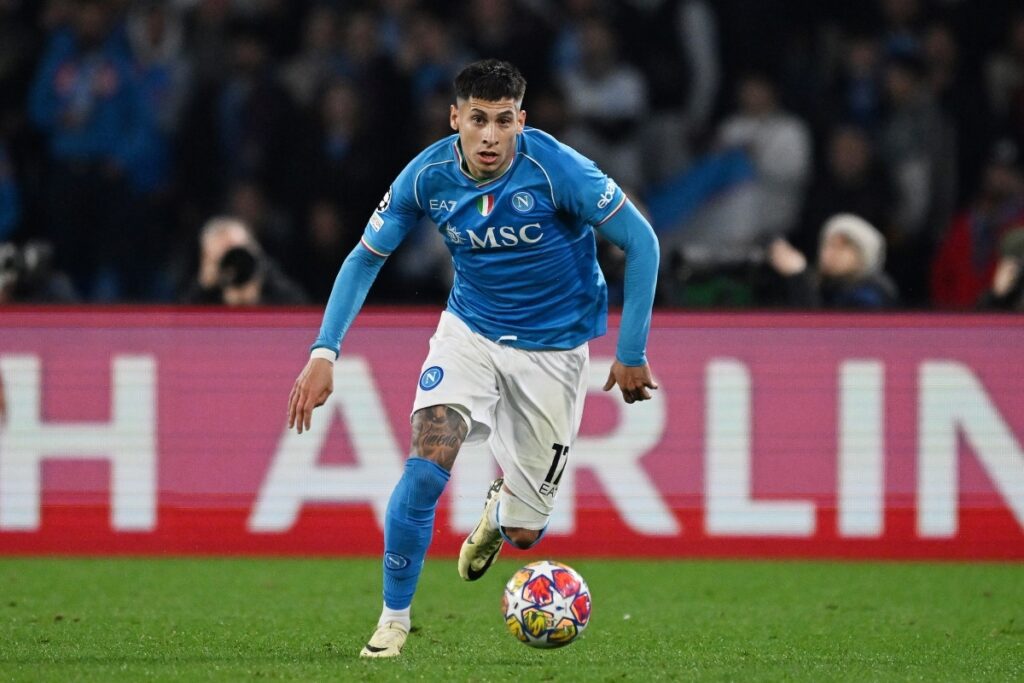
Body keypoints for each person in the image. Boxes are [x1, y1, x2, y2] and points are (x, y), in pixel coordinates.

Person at [285, 59, 659, 658]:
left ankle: (499, 510)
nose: (490, 136)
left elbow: (642, 242)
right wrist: (324, 350)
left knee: (525, 532)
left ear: (521, 121)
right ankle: (393, 620)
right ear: (454, 117)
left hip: (554, 350)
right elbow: (363, 258)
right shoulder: (427, 175)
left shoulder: (557, 169)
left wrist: (631, 350)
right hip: (470, 334)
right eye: (478, 119)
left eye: (504, 121)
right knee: (424, 469)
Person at [766, 213, 898, 309]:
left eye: (844, 247)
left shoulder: (870, 296)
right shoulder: (827, 286)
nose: (832, 252)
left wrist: (799, 278)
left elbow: (822, 336)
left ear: (864, 255)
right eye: (828, 244)